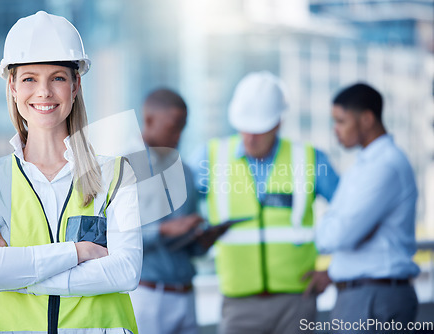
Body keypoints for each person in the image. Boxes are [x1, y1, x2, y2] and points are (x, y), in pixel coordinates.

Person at [0, 11, 141, 334]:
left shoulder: (116, 175)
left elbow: (126, 270)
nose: (43, 92)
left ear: (76, 85)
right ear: (13, 87)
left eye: (57, 77)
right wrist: (77, 252)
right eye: (30, 78)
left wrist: (20, 273)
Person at [191, 71, 339, 334]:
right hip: (238, 303)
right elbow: (175, 207)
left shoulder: (309, 158)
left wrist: (335, 269)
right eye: (244, 127)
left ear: (278, 123)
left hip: (297, 302)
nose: (250, 136)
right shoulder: (211, 157)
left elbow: (352, 214)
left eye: (259, 129)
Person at [316, 83, 419, 333]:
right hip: (363, 295)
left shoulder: (384, 166)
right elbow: (340, 232)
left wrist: (336, 225)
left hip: (372, 299)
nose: (336, 130)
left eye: (341, 121)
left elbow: (336, 236)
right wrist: (344, 226)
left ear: (367, 119)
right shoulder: (364, 165)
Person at [129, 89, 228, 334]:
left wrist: (203, 239)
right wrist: (163, 230)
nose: (179, 135)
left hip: (186, 295)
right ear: (149, 120)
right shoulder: (122, 167)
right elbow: (109, 236)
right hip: (147, 297)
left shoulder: (185, 172)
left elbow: (189, 246)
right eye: (174, 126)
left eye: (183, 127)